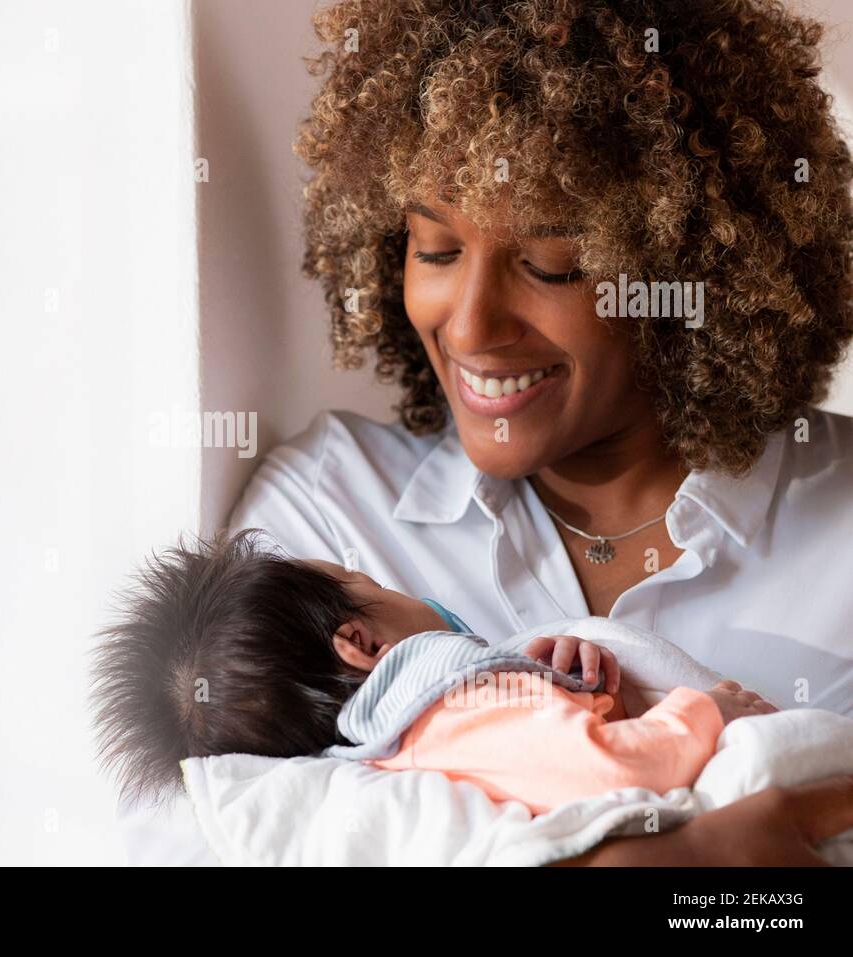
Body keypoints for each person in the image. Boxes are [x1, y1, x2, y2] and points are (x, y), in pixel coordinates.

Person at [218, 0, 853, 864]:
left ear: (689, 268)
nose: (472, 327)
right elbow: (218, 832)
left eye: (552, 265)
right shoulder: (331, 518)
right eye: (436, 250)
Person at [93, 530, 777, 817]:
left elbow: (549, 755)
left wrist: (581, 693)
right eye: (362, 577)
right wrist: (705, 710)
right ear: (361, 641)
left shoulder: (396, 754)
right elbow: (617, 773)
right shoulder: (451, 705)